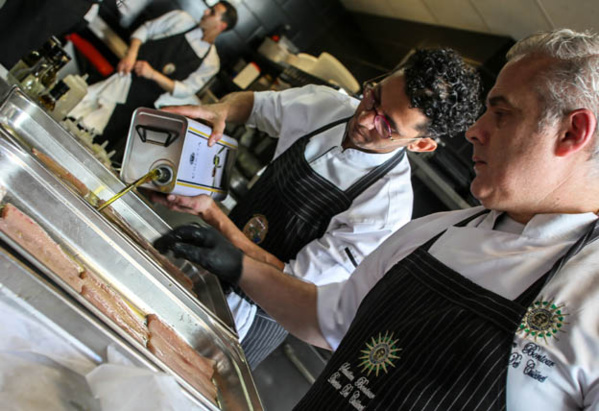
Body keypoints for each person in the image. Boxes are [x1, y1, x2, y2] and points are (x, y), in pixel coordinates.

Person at [155, 28, 599, 409]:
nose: (474, 132)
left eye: (501, 114)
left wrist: (215, 221)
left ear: (572, 133)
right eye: (373, 97)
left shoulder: (590, 301)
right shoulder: (434, 232)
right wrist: (234, 261)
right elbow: (328, 316)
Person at [151, 48, 482, 368]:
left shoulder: (386, 207)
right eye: (374, 96)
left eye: (387, 125)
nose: (365, 119)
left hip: (247, 316)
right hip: (204, 262)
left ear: (421, 144)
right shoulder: (329, 105)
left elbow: (292, 283)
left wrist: (213, 215)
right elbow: (253, 105)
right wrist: (221, 109)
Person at [98, 2, 237, 159]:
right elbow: (146, 29)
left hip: (146, 101)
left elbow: (185, 89)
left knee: (106, 142)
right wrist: (131, 54)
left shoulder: (211, 62)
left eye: (212, 12)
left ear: (222, 25)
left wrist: (152, 74)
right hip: (125, 76)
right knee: (91, 113)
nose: (205, 12)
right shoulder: (181, 20)